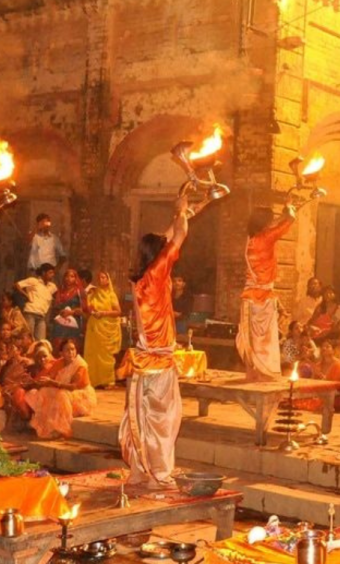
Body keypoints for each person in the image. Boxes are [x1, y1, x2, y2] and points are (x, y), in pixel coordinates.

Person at [118, 196, 190, 487]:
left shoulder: (142, 277)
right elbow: (180, 234)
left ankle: (139, 470)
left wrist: (181, 211)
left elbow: (172, 234)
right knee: (163, 420)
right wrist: (181, 212)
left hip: (144, 360)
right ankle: (158, 474)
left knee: (140, 418)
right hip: (157, 362)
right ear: (158, 255)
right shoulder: (156, 276)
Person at [236, 201, 298, 381]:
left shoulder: (251, 238)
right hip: (262, 298)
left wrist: (283, 214)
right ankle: (263, 376)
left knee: (250, 340)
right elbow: (288, 222)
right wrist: (290, 210)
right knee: (264, 340)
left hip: (250, 296)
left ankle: (252, 374)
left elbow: (274, 224)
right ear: (264, 223)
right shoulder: (267, 237)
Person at [25, 339, 96, 439]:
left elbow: (73, 387)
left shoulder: (80, 365)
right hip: (63, 390)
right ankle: (47, 426)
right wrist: (35, 383)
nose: (71, 352)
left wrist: (52, 383)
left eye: (73, 349)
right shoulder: (59, 363)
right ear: (61, 353)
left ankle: (59, 429)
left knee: (60, 395)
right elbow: (49, 376)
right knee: (43, 392)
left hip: (80, 395)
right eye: (67, 350)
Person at [83, 271, 122, 388]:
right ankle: (93, 381)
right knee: (93, 354)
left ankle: (107, 381)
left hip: (106, 327)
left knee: (106, 356)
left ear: (108, 279)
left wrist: (104, 313)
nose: (101, 279)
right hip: (94, 327)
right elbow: (88, 308)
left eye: (104, 277)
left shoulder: (111, 295)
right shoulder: (94, 293)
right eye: (99, 277)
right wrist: (92, 309)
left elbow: (118, 312)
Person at [15, 264, 57, 341]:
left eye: (53, 273)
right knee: (28, 338)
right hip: (30, 312)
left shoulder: (52, 286)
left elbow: (56, 296)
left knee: (41, 341)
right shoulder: (34, 281)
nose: (52, 275)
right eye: (50, 273)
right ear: (44, 273)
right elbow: (17, 285)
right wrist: (26, 295)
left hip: (42, 316)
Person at [50, 268, 88, 353]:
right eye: (66, 276)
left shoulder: (80, 292)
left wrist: (71, 312)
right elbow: (55, 307)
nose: (68, 278)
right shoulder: (60, 291)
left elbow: (84, 309)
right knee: (58, 346)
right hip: (60, 322)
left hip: (73, 323)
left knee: (72, 347)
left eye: (71, 276)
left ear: (75, 278)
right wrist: (61, 312)